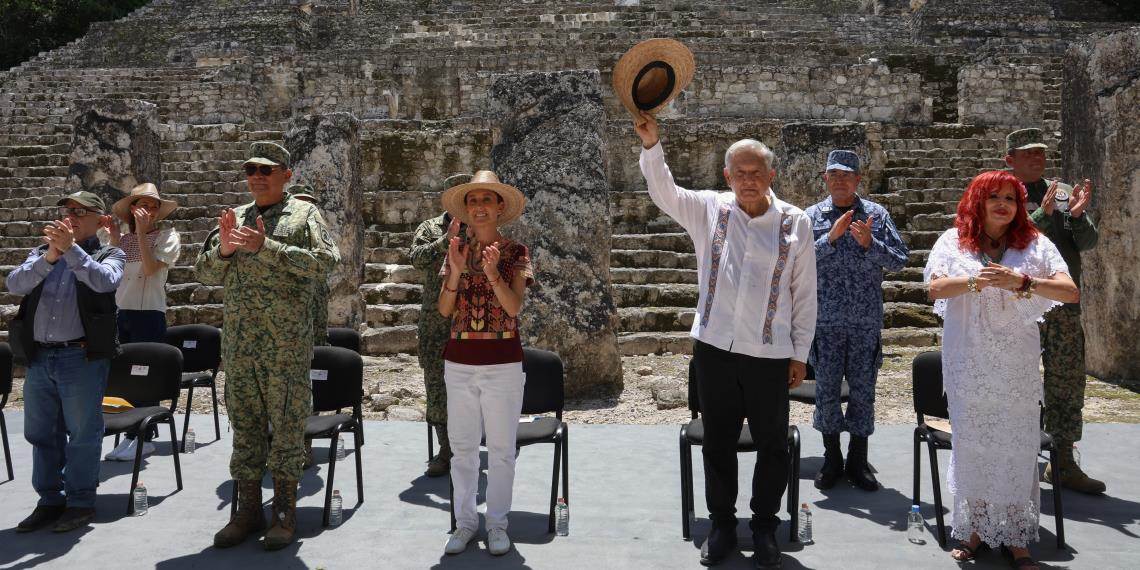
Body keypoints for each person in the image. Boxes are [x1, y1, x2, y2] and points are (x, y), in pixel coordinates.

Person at [636, 113, 816, 569]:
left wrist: (800, 354)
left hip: (770, 355)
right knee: (718, 441)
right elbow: (665, 193)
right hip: (715, 349)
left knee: (773, 444)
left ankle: (764, 528)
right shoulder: (710, 208)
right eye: (740, 173)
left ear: (771, 175)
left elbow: (804, 293)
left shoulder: (796, 222)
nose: (748, 180)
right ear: (727, 176)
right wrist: (653, 146)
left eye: (757, 173)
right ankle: (721, 526)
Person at [924, 170, 1078, 569]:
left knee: (1016, 448)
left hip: (1016, 366)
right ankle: (973, 530)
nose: (1003, 204)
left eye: (1010, 197)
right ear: (978, 200)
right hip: (968, 362)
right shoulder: (952, 241)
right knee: (973, 446)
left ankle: (1016, 537)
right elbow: (936, 288)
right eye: (994, 196)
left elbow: (1069, 290)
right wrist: (976, 281)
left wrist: (1022, 280)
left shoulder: (1036, 244)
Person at [196, 142, 340, 550]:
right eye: (251, 169)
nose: (257, 176)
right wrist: (224, 250)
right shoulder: (236, 217)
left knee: (288, 430)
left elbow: (327, 262)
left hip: (285, 348)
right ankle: (246, 511)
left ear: (286, 175)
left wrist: (268, 248)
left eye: (266, 169)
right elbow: (203, 272)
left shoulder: (304, 214)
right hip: (241, 347)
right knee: (246, 429)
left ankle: (284, 513)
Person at [6, 191, 125, 532]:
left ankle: (80, 502)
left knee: (83, 434)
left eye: (79, 211)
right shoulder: (44, 253)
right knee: (41, 433)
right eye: (65, 210)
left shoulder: (110, 253)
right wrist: (51, 257)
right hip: (41, 357)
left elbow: (105, 282)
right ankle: (49, 500)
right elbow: (15, 284)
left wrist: (71, 250)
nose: (69, 215)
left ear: (99, 221)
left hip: (81, 357)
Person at [1003, 128, 1104, 495]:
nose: (1037, 159)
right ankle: (1012, 458)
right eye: (1028, 153)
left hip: (1060, 306)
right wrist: (1042, 217)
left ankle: (1063, 461)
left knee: (1066, 382)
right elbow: (1006, 245)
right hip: (1019, 305)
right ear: (1009, 159)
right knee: (1014, 380)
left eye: (1041, 153)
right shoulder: (1001, 194)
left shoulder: (1059, 194)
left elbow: (1089, 242)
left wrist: (1076, 216)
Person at [437, 170, 533, 557]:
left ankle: (496, 523)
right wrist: (457, 270)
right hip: (459, 361)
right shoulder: (456, 250)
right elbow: (445, 310)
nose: (478, 207)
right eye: (472, 201)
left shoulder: (516, 252)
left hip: (502, 361)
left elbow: (513, 308)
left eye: (486, 200)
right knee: (461, 448)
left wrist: (493, 274)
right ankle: (464, 522)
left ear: (499, 208)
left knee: (501, 449)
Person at [804, 150, 908, 491]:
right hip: (826, 323)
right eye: (833, 175)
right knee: (827, 392)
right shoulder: (811, 216)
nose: (839, 181)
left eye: (846, 176)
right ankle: (832, 459)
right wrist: (830, 239)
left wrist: (870, 243)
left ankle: (858, 460)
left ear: (858, 180)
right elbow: (797, 262)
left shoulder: (876, 214)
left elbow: (899, 260)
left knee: (863, 393)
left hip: (865, 323)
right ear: (825, 179)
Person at [100, 182, 180, 462]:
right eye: (142, 204)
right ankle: (131, 432)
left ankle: (145, 436)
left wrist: (143, 235)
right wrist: (114, 241)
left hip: (149, 313)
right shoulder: (118, 237)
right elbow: (109, 275)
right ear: (132, 209)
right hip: (122, 313)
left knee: (144, 375)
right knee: (124, 377)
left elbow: (149, 268)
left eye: (153, 206)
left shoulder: (167, 236)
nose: (148, 210)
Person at [409, 204, 463, 478]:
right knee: (437, 387)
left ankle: (470, 444)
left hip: (471, 321)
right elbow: (416, 258)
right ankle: (445, 450)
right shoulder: (430, 228)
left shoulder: (481, 227)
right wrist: (445, 240)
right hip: (435, 322)